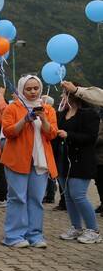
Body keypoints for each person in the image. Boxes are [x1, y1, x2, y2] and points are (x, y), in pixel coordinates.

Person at [0, 74, 58, 249]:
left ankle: (35, 235)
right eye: (28, 89)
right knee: (17, 198)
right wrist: (25, 120)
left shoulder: (48, 109)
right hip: (17, 160)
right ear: (21, 90)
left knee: (36, 199)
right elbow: (9, 132)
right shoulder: (12, 108)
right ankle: (14, 235)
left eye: (35, 88)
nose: (33, 92)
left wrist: (43, 119)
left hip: (40, 161)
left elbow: (52, 134)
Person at [56, 86, 101, 243]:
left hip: (81, 161)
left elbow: (90, 137)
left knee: (78, 195)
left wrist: (69, 135)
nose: (62, 96)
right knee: (68, 196)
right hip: (63, 160)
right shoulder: (61, 114)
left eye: (64, 93)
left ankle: (93, 230)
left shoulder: (89, 114)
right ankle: (76, 227)